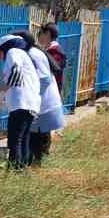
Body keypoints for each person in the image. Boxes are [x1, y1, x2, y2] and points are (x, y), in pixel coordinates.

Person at [0, 34, 41, 167]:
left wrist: (3, 89)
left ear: (5, 48)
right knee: (23, 138)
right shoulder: (23, 55)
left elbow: (15, 72)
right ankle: (23, 169)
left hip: (21, 103)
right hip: (30, 103)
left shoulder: (13, 52)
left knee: (15, 140)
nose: (0, 58)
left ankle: (15, 169)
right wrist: (0, 91)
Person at [28, 25, 68, 166]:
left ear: (48, 34)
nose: (39, 37)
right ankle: (40, 157)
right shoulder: (49, 51)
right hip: (49, 93)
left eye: (41, 33)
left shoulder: (55, 51)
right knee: (42, 129)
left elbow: (52, 72)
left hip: (48, 94)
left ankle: (41, 158)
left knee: (43, 130)